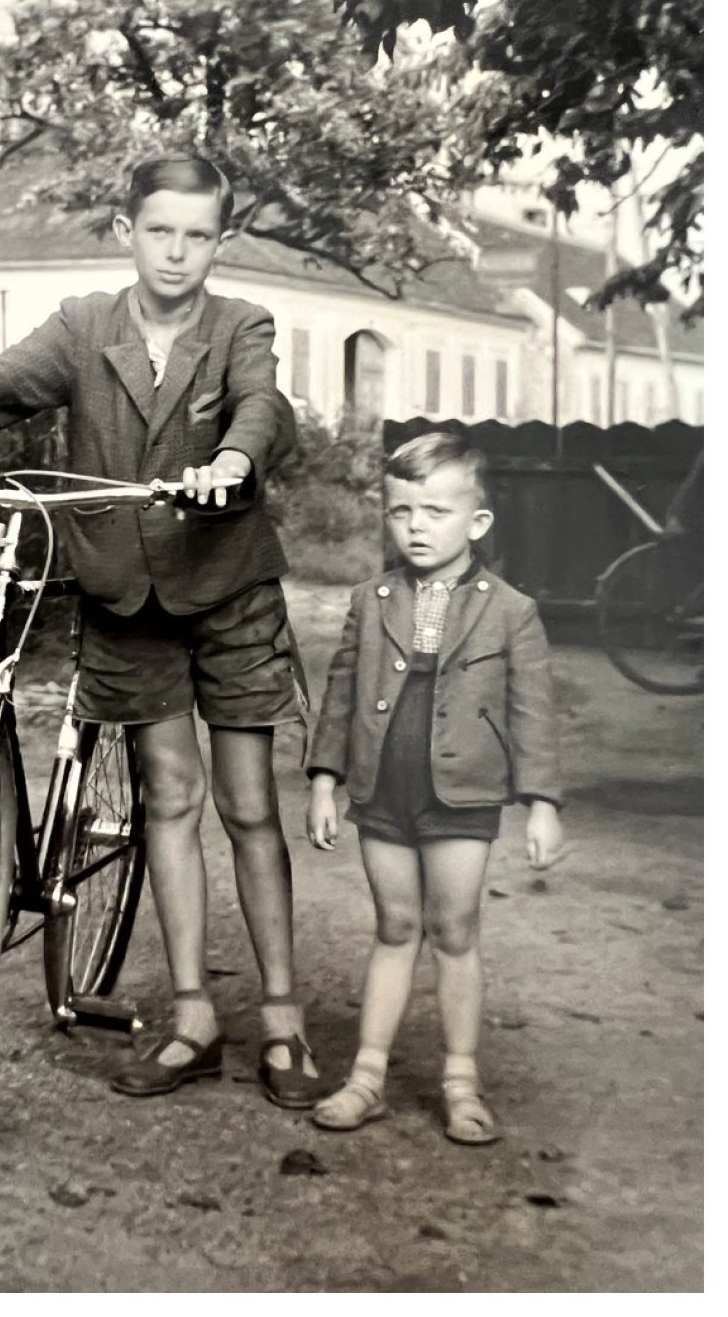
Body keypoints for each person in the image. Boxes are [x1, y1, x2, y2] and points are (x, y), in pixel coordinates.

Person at [0, 154, 321, 1109]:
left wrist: (235, 459)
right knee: (169, 796)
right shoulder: (85, 326)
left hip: (228, 590)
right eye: (159, 231)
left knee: (249, 805)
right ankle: (194, 1017)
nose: (177, 251)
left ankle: (283, 1018)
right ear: (126, 232)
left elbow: (263, 405)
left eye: (198, 235)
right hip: (125, 596)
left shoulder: (240, 326)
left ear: (220, 241)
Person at [304, 432, 565, 1143]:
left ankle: (460, 1079)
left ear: (476, 522)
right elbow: (340, 694)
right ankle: (367, 1076)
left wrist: (542, 802)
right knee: (394, 926)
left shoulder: (513, 610)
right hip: (383, 786)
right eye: (401, 511)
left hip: (464, 795)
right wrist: (325, 780)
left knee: (455, 930)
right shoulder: (371, 599)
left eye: (437, 511)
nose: (416, 526)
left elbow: (531, 712)